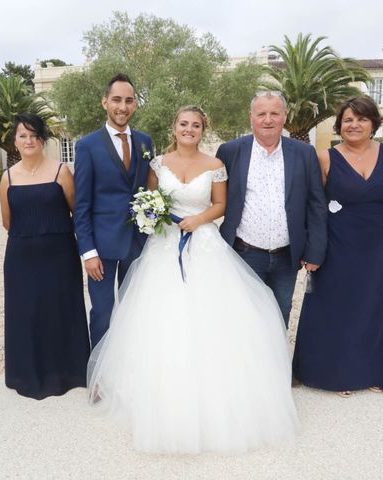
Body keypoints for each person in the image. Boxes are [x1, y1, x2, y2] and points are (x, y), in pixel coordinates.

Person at [87, 106, 298, 454]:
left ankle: (216, 394)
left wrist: (198, 220)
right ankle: (157, 394)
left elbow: (221, 206)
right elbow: (149, 200)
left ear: (203, 130)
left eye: (196, 125)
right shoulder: (158, 164)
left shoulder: (215, 166)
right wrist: (155, 217)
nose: (189, 130)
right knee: (160, 318)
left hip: (203, 244)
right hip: (163, 246)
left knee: (210, 318)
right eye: (184, 124)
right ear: (174, 127)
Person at [292, 96, 383, 396]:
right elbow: (314, 206)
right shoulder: (326, 157)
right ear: (339, 125)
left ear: (373, 123)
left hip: (377, 244)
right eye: (348, 119)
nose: (354, 124)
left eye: (361, 119)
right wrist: (312, 249)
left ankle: (373, 369)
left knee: (374, 305)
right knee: (334, 307)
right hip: (337, 245)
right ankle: (333, 372)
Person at [216, 91, 327, 328]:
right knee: (244, 315)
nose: (268, 119)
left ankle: (275, 365)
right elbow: (215, 198)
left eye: (275, 113)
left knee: (280, 312)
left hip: (287, 256)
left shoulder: (304, 153)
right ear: (251, 117)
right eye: (262, 114)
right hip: (244, 252)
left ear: (284, 116)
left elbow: (316, 204)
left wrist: (315, 250)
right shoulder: (230, 152)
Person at [0, 113, 90, 400]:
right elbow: (7, 221)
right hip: (21, 257)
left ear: (43, 139)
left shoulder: (61, 171)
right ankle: (27, 373)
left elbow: (77, 212)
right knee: (26, 314)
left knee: (61, 311)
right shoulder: (8, 177)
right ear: (15, 141)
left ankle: (67, 373)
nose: (29, 140)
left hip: (60, 255)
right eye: (23, 135)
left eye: (34, 135)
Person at [73, 73, 154, 347]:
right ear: (105, 102)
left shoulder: (145, 142)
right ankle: (97, 373)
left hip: (137, 243)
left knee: (135, 311)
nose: (123, 107)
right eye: (117, 100)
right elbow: (81, 205)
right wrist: (88, 252)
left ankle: (128, 370)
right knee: (103, 312)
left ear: (135, 105)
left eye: (129, 101)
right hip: (102, 248)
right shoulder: (87, 146)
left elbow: (148, 190)